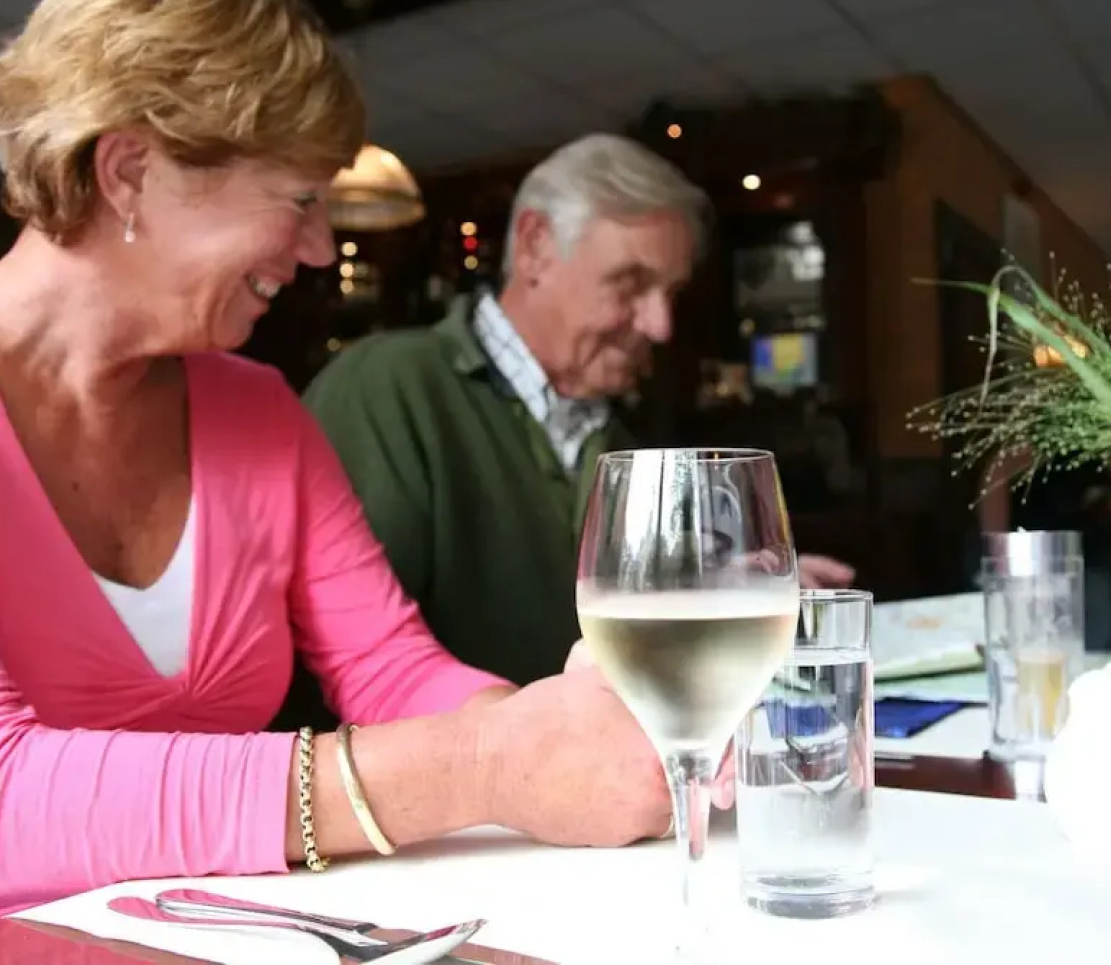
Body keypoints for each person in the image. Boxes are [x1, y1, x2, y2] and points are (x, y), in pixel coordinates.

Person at [0, 0, 672, 948]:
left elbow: (392, 673)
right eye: (300, 200)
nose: (318, 248)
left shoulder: (256, 407)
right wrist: (482, 764)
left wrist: (563, 729)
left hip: (221, 931)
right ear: (130, 172)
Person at [305, 135, 854, 686]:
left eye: (671, 293)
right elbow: (351, 666)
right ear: (537, 247)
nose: (660, 325)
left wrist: (731, 586)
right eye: (631, 284)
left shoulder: (614, 440)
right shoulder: (388, 389)